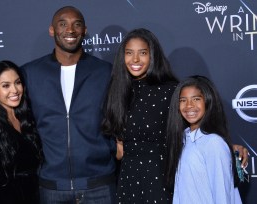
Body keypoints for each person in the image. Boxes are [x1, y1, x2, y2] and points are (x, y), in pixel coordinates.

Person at [0, 6, 116, 204]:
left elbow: (124, 114)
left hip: (99, 185)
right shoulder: (30, 73)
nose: (70, 30)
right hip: (50, 189)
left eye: (76, 24)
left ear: (84, 31)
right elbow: (2, 114)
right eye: (62, 24)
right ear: (52, 30)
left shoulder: (106, 72)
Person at [102, 28, 178, 203]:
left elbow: (191, 131)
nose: (135, 59)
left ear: (153, 55)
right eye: (129, 53)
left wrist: (228, 147)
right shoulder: (117, 90)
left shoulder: (170, 90)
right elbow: (116, 141)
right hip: (128, 178)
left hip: (161, 178)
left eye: (142, 53)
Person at [0, 60, 43, 204]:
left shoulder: (28, 118)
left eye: (17, 83)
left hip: (32, 196)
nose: (15, 90)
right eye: (6, 86)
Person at [165, 75, 242, 203]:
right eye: (183, 100)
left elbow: (222, 194)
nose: (189, 105)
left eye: (196, 99)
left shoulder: (214, 143)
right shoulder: (182, 139)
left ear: (208, 101)